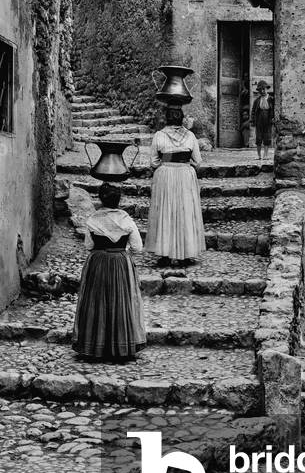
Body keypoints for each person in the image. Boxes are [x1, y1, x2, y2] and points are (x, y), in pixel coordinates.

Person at [72, 185, 146, 363]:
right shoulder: (126, 220)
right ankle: (121, 345)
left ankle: (94, 344)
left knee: (96, 301)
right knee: (121, 300)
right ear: (118, 201)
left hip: (97, 262)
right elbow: (138, 247)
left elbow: (88, 246)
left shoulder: (93, 220)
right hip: (120, 262)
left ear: (101, 200)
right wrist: (122, 247)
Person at [145, 105, 206, 264]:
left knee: (166, 210)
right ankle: (186, 253)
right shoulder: (190, 136)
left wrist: (166, 164)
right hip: (185, 174)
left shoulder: (159, 135)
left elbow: (153, 162)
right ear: (181, 119)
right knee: (185, 210)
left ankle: (164, 254)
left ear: (167, 118)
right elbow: (198, 162)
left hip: (165, 175)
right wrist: (186, 163)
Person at [251, 80, 274, 161]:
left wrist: (272, 118)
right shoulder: (257, 101)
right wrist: (253, 120)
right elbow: (253, 111)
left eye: (264, 89)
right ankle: (258, 155)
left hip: (267, 120)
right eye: (260, 90)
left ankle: (266, 155)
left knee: (267, 137)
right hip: (259, 120)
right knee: (259, 137)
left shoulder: (271, 99)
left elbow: (274, 110)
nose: (262, 91)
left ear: (267, 89)